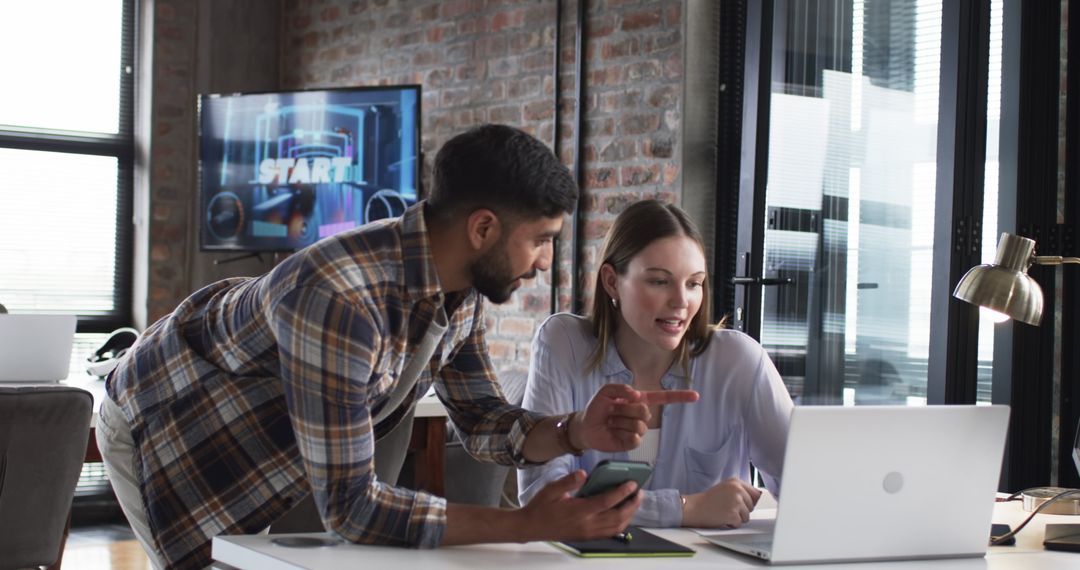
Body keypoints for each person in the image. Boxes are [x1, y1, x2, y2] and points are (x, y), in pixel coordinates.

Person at [97, 125, 699, 569]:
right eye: (540, 240)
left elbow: (485, 425)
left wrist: (573, 431)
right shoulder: (339, 295)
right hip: (168, 419)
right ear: (483, 228)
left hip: (268, 438)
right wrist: (525, 524)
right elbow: (354, 509)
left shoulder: (459, 291)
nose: (545, 263)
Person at [518, 199, 794, 529]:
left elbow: (804, 488)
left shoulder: (739, 360)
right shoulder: (563, 344)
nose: (681, 301)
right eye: (660, 281)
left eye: (694, 283)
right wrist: (685, 508)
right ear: (611, 281)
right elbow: (544, 497)